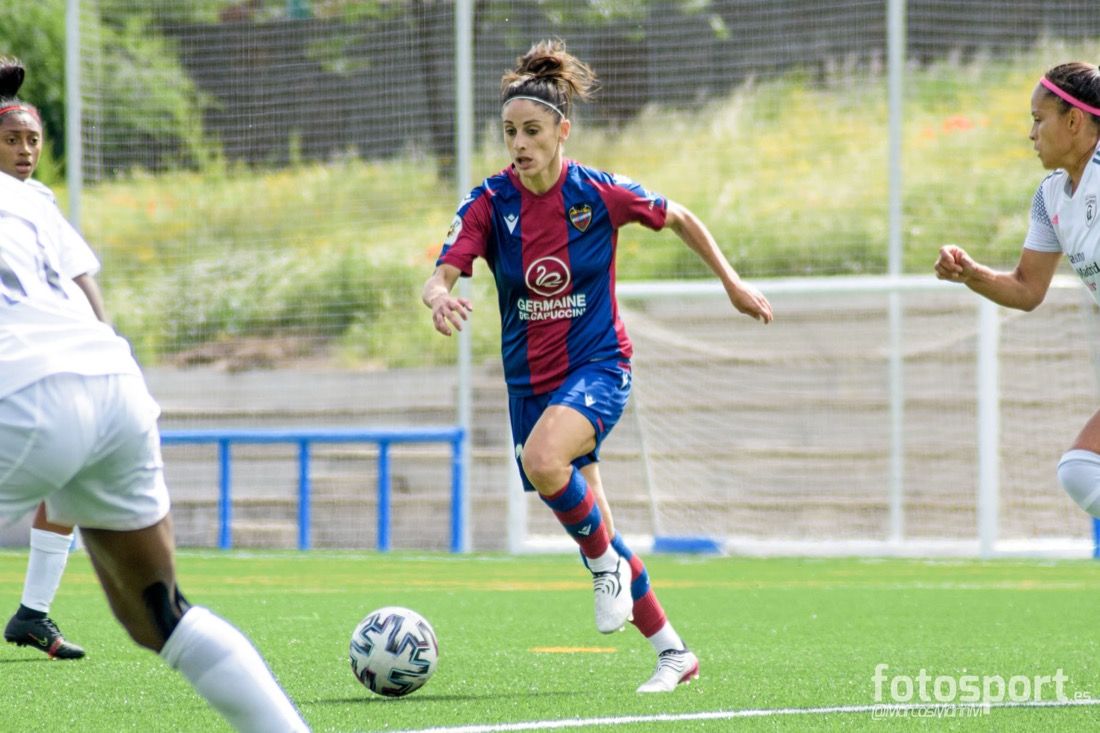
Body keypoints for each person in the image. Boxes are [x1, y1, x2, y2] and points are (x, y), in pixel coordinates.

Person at [422, 39, 773, 693]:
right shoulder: (489, 202)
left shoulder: (598, 192)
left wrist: (731, 283)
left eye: (532, 130)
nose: (519, 144)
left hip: (599, 364)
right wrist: (439, 294)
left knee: (545, 463)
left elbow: (679, 216)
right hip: (531, 384)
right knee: (598, 529)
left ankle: (605, 564)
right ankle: (674, 653)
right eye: (509, 131)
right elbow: (443, 270)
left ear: (562, 131)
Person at [0, 128, 308, 731]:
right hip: (111, 381)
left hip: (20, 390)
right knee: (160, 617)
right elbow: (85, 288)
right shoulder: (29, 198)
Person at [935, 62, 1100, 521]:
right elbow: (1028, 289)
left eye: (1038, 119)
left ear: (1074, 120)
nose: (1031, 133)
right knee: (1080, 468)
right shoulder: (1050, 196)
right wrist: (971, 274)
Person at [0, 57, 104, 659]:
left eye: (33, 140)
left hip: (46, 357)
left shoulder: (39, 200)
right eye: (11, 139)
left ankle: (32, 614)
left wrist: (104, 336)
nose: (25, 150)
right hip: (15, 359)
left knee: (70, 472)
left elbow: (79, 271)